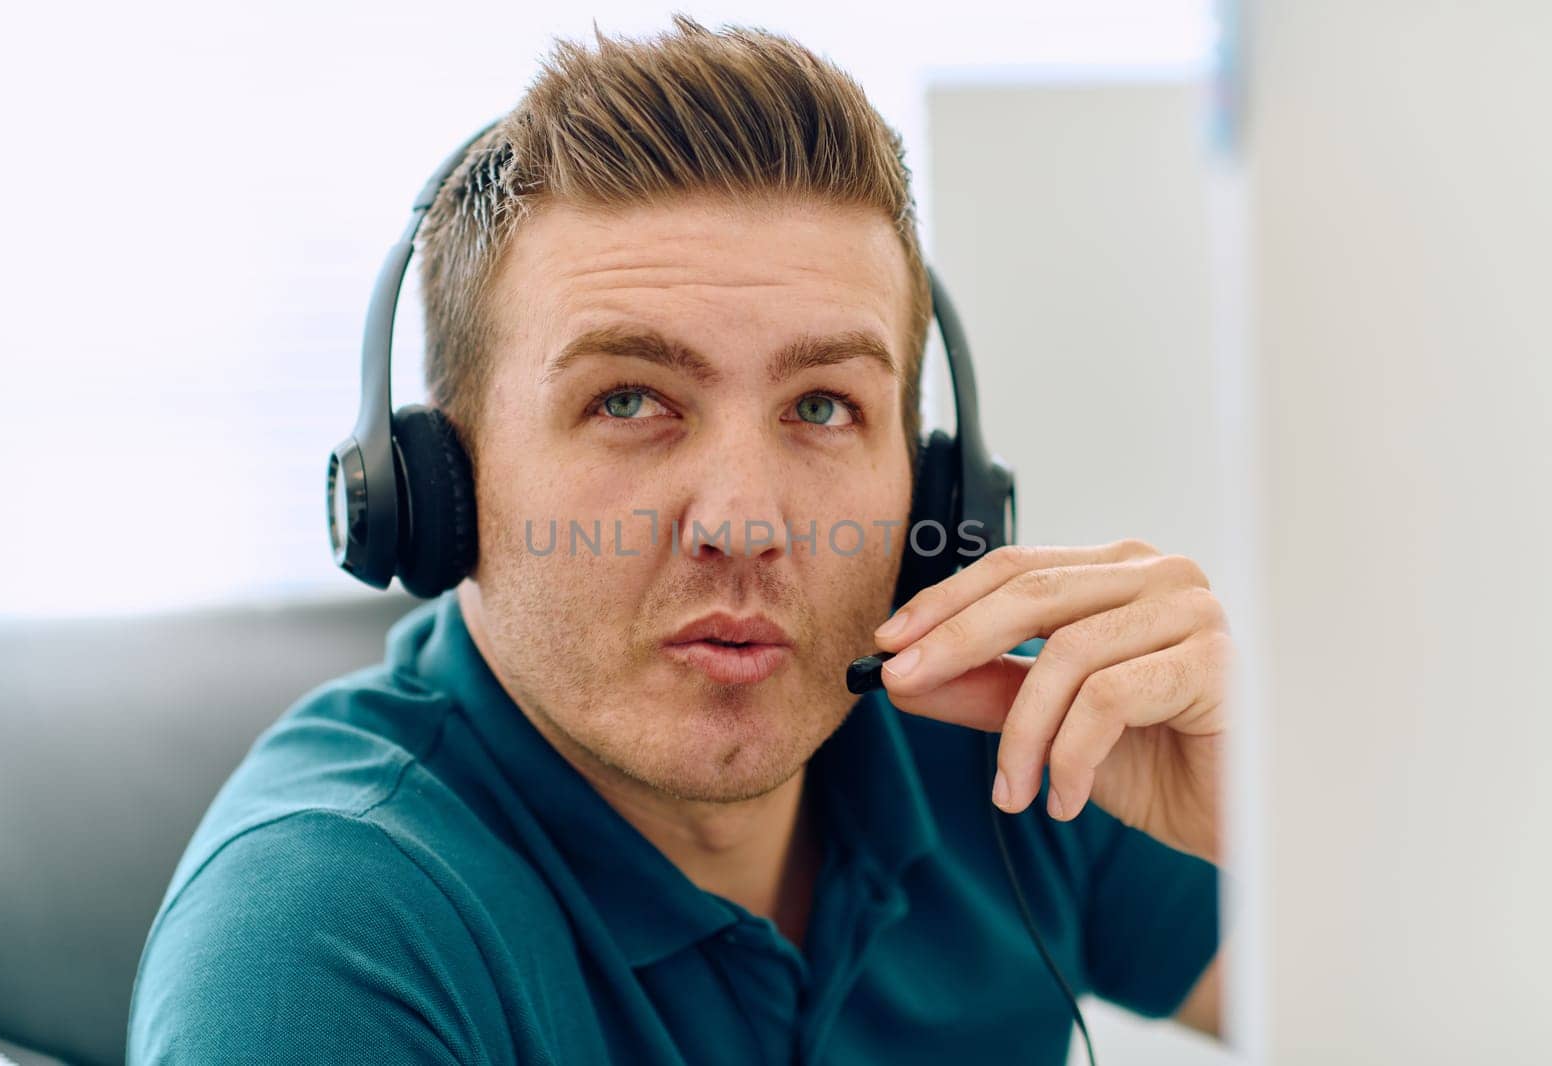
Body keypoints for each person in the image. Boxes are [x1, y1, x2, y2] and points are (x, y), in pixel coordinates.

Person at [128, 15, 1228, 1064]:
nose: (742, 524)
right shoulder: (320, 941)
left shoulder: (1013, 741)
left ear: (937, 491)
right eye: (626, 401)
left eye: (821, 407)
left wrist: (1259, 805)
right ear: (438, 487)